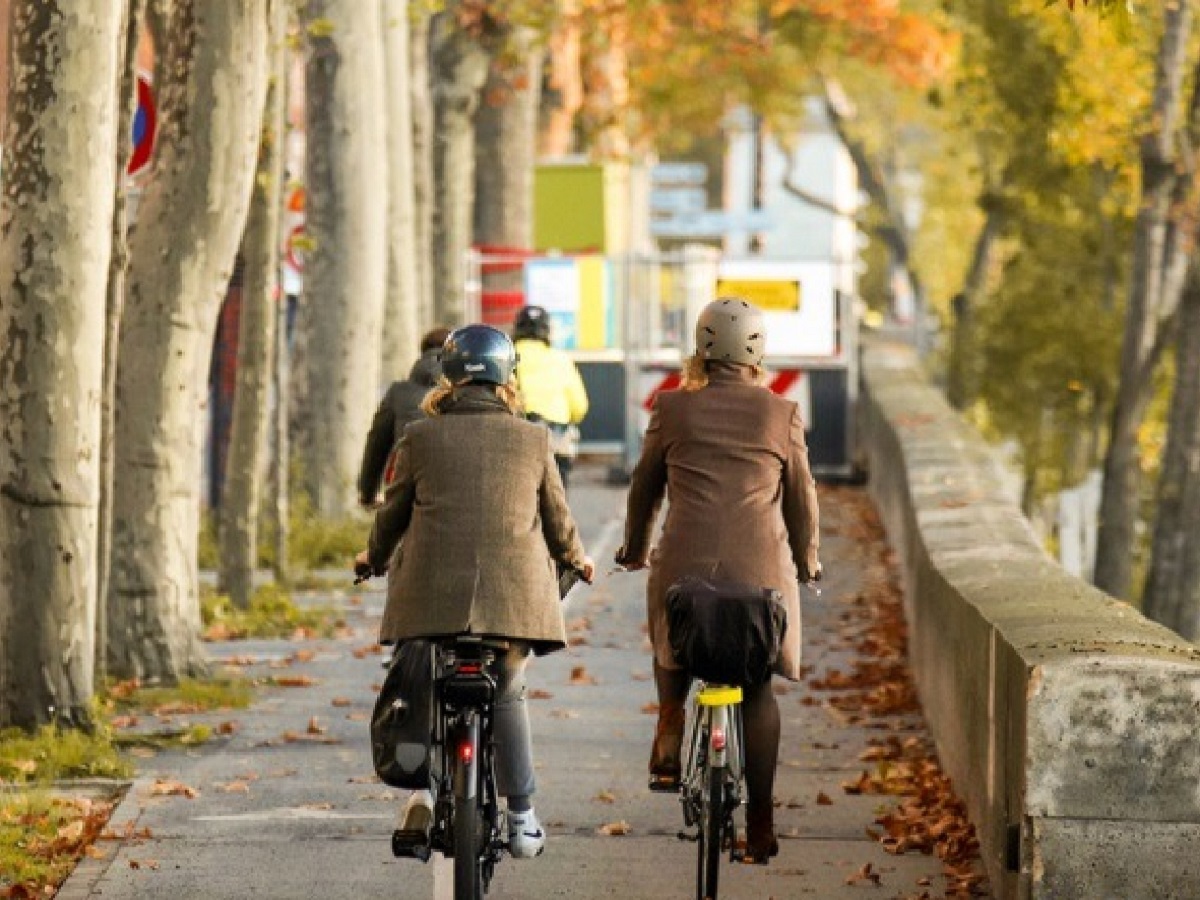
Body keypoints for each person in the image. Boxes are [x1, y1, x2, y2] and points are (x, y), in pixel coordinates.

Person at [354, 324, 595, 859]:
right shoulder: (534, 438)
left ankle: (419, 795)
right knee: (507, 687)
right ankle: (522, 816)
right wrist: (578, 560)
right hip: (514, 601)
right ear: (508, 380)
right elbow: (558, 523)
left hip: (429, 596)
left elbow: (392, 515)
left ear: (450, 377)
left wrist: (371, 559)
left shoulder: (418, 435)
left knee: (422, 676)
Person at [613, 297, 822, 864]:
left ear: (701, 349)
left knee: (668, 622)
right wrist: (807, 559)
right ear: (758, 352)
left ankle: (670, 720)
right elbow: (802, 499)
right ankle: (760, 821)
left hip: (687, 568)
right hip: (762, 579)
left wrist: (634, 549)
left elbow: (644, 488)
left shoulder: (673, 408)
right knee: (758, 688)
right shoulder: (781, 414)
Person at [357, 326, 452, 508]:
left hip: (407, 490)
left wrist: (367, 493)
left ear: (422, 353)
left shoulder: (398, 393)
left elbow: (377, 444)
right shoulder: (465, 391)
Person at [511, 305, 589, 488]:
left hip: (520, 437)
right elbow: (579, 407)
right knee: (557, 495)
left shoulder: (508, 356)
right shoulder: (561, 359)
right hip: (556, 438)